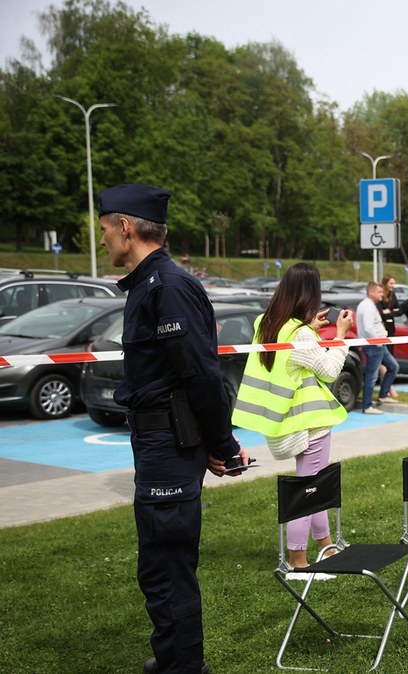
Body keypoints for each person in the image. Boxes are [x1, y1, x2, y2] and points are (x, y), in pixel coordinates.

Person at [98, 183, 250, 674]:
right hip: (161, 440)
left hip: (167, 442)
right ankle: (172, 657)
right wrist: (206, 443)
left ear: (126, 227)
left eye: (105, 229)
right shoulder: (147, 284)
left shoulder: (168, 286)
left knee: (169, 562)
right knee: (158, 563)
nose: (103, 239)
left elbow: (200, 375)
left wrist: (221, 445)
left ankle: (185, 666)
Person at [232, 263, 351, 577]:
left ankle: (326, 546)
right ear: (311, 294)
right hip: (308, 423)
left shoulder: (266, 323)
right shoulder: (301, 334)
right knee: (308, 490)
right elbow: (329, 371)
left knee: (313, 486)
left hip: (284, 421)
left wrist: (309, 324)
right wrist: (340, 335)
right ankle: (298, 561)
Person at [356, 281, 399, 414]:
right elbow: (369, 327)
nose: (382, 294)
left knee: (393, 367)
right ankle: (367, 405)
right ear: (371, 292)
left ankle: (383, 395)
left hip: (378, 344)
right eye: (379, 292)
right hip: (374, 345)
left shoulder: (369, 305)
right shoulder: (367, 306)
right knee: (372, 376)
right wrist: (378, 340)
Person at [376, 275, 402, 400]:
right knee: (385, 362)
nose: (393, 286)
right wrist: (387, 312)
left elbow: (397, 309)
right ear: (385, 283)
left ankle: (387, 388)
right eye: (391, 283)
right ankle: (388, 388)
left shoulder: (393, 295)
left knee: (390, 358)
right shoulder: (380, 296)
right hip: (382, 330)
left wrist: (390, 312)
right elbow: (380, 311)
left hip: (391, 330)